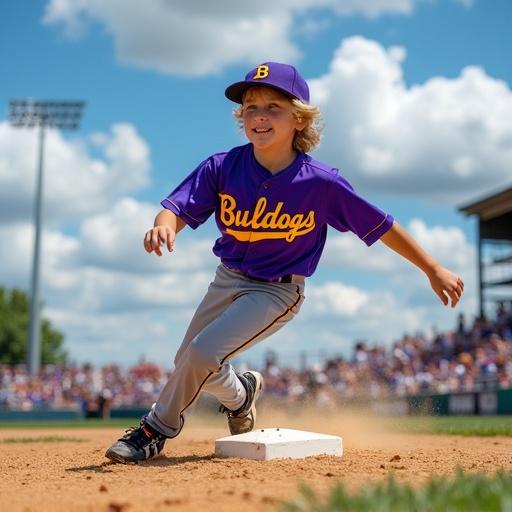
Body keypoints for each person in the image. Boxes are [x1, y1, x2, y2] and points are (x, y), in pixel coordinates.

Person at [105, 62, 464, 463]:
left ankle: (154, 430)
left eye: (272, 107)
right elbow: (175, 208)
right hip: (227, 278)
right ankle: (241, 396)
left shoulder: (321, 182)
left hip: (276, 289)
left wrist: (432, 268)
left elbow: (381, 225)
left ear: (299, 117)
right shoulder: (222, 167)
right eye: (251, 107)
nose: (259, 116)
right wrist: (163, 225)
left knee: (202, 355)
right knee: (188, 359)